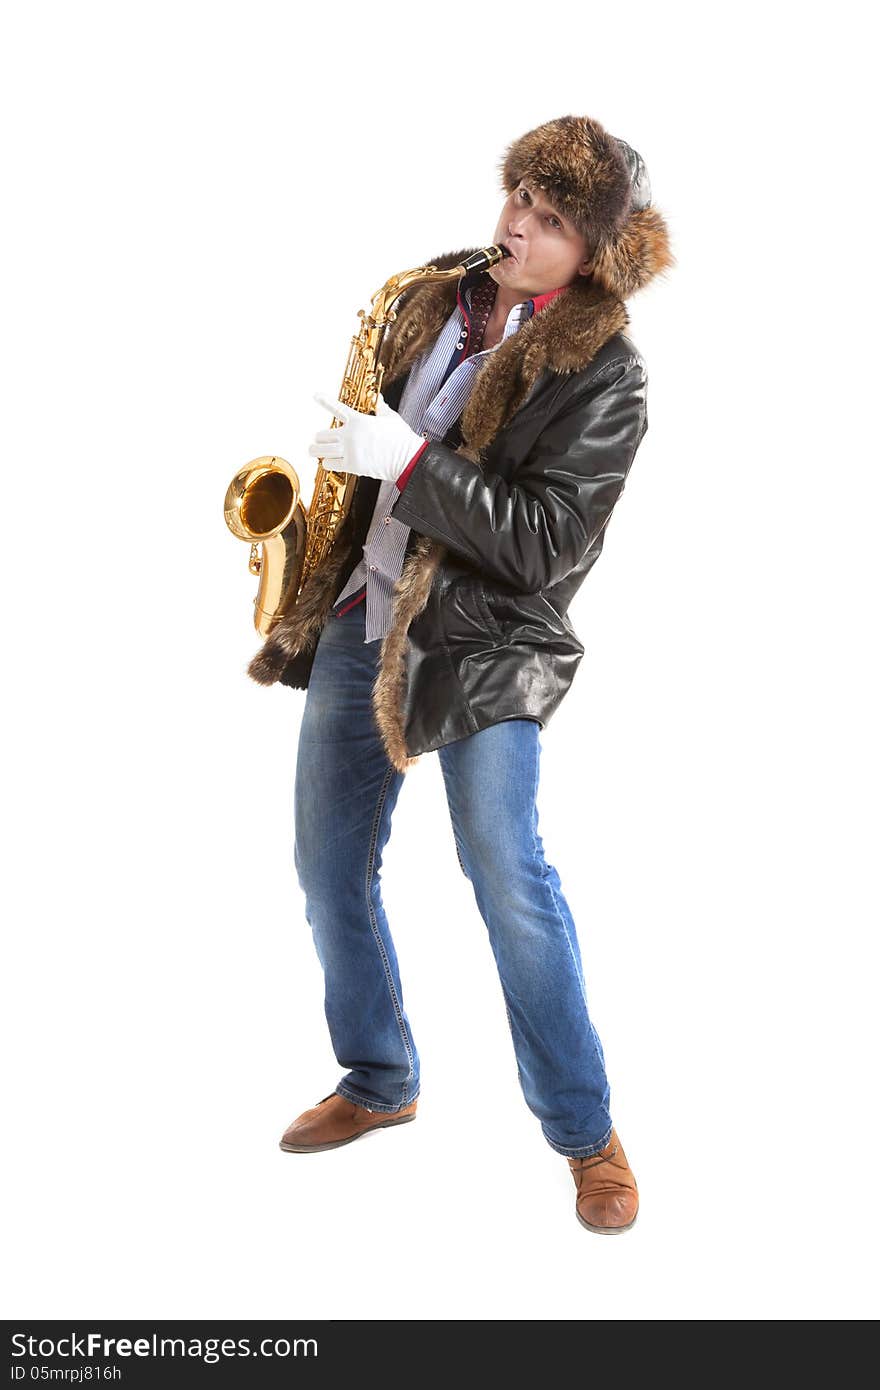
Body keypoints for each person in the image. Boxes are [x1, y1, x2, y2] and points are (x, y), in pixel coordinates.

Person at [247, 114, 673, 1234]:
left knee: (509, 880)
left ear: (594, 250)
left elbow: (540, 541)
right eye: (513, 206)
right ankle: (380, 1079)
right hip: (360, 617)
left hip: (485, 647)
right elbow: (381, 447)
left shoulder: (607, 376)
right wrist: (346, 463)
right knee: (326, 865)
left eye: (545, 222)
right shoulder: (436, 298)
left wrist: (408, 460)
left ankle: (588, 1136)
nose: (513, 232)